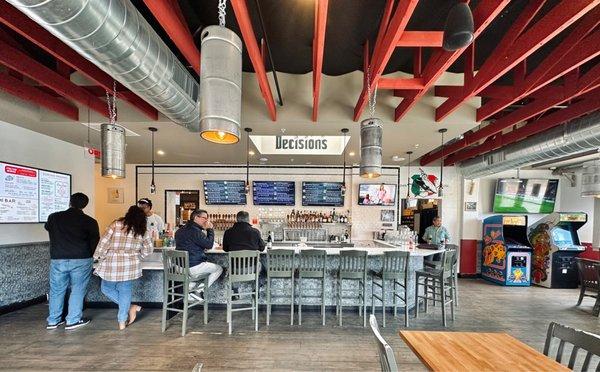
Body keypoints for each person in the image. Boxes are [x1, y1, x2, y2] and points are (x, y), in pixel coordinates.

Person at [45, 192, 100, 330]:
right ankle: (73, 320)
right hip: (82, 259)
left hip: (58, 258)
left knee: (56, 290)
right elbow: (95, 242)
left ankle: (53, 320)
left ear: (70, 202)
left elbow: (48, 228)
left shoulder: (54, 217)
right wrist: (93, 256)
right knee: (78, 289)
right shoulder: (90, 221)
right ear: (85, 205)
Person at [94, 206, 153, 330]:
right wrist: (137, 255)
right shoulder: (143, 230)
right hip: (131, 265)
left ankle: (131, 308)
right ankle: (122, 321)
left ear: (128, 214)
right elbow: (148, 250)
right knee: (125, 290)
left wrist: (98, 256)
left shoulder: (116, 225)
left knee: (106, 288)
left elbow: (103, 242)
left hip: (112, 262)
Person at [175, 209, 223, 302]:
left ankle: (190, 291)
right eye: (204, 218)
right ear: (196, 217)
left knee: (194, 276)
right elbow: (209, 245)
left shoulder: (180, 230)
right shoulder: (196, 231)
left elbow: (188, 244)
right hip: (192, 267)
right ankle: (198, 291)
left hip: (179, 268)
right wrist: (210, 229)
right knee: (219, 269)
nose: (206, 220)